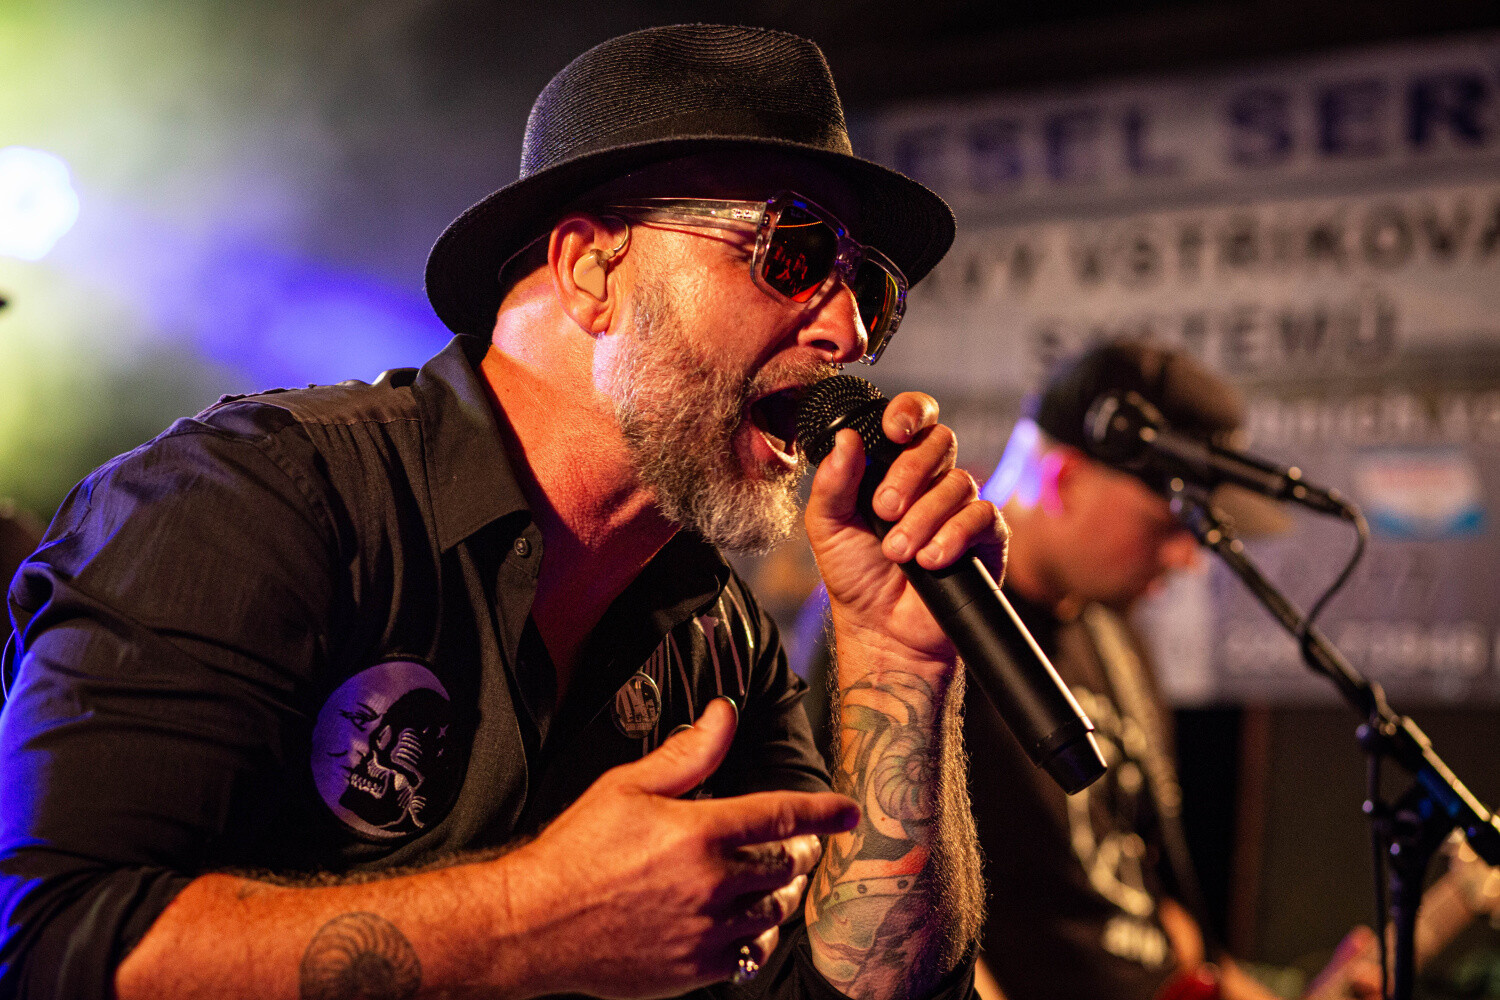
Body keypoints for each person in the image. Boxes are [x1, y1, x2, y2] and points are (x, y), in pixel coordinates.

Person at [0, 25, 997, 1000]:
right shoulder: (252, 503)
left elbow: (848, 985)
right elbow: (51, 945)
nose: (849, 330)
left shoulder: (717, 636)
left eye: (870, 290)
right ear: (590, 271)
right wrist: (531, 920)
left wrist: (896, 660)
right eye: (794, 251)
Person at [798, 339, 1383, 1000]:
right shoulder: (903, 616)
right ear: (1063, 479)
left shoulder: (1115, 632)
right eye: (1166, 525)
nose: (1187, 557)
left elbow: (1146, 909)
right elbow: (863, 881)